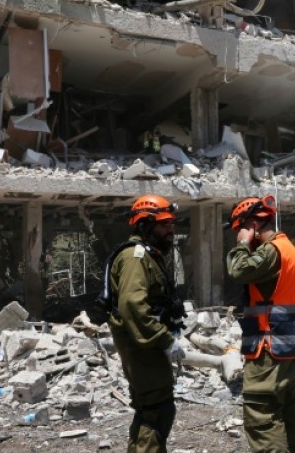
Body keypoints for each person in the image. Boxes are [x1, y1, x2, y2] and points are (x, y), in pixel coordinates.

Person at [106, 194, 186, 453]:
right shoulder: (135, 258)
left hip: (145, 347)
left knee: (151, 410)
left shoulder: (148, 255)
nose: (170, 230)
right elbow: (132, 305)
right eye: (164, 225)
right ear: (144, 225)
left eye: (171, 224)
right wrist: (165, 340)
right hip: (141, 347)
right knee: (156, 410)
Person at [226, 195, 295, 453]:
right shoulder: (288, 248)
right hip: (287, 348)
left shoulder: (271, 252)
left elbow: (239, 270)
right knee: (286, 414)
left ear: (254, 225)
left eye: (242, 228)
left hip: (268, 350)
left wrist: (242, 245)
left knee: (262, 419)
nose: (239, 234)